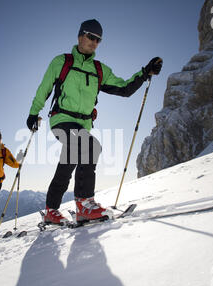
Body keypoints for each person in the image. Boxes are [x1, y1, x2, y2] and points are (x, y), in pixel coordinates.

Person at [26, 19, 162, 225]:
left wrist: (145, 73)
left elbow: (124, 88)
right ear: (80, 36)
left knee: (67, 163)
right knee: (90, 146)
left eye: (98, 40)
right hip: (61, 119)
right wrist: (33, 113)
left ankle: (51, 210)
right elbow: (44, 88)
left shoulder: (100, 70)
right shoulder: (62, 62)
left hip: (83, 125)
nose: (94, 42)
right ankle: (84, 203)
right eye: (91, 37)